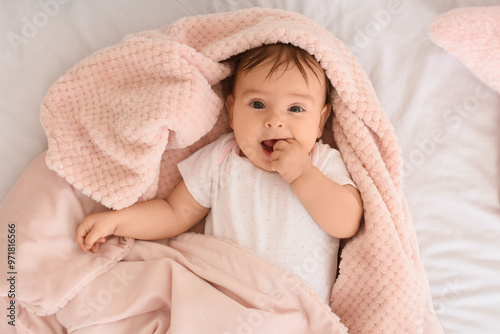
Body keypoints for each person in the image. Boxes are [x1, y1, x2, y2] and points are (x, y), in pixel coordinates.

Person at [76, 43, 363, 302]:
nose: (275, 120)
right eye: (258, 105)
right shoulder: (223, 158)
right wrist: (118, 221)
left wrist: (303, 175)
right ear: (233, 111)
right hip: (224, 300)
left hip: (293, 310)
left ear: (321, 120)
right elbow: (174, 212)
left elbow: (347, 222)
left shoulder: (321, 162)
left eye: (296, 108)